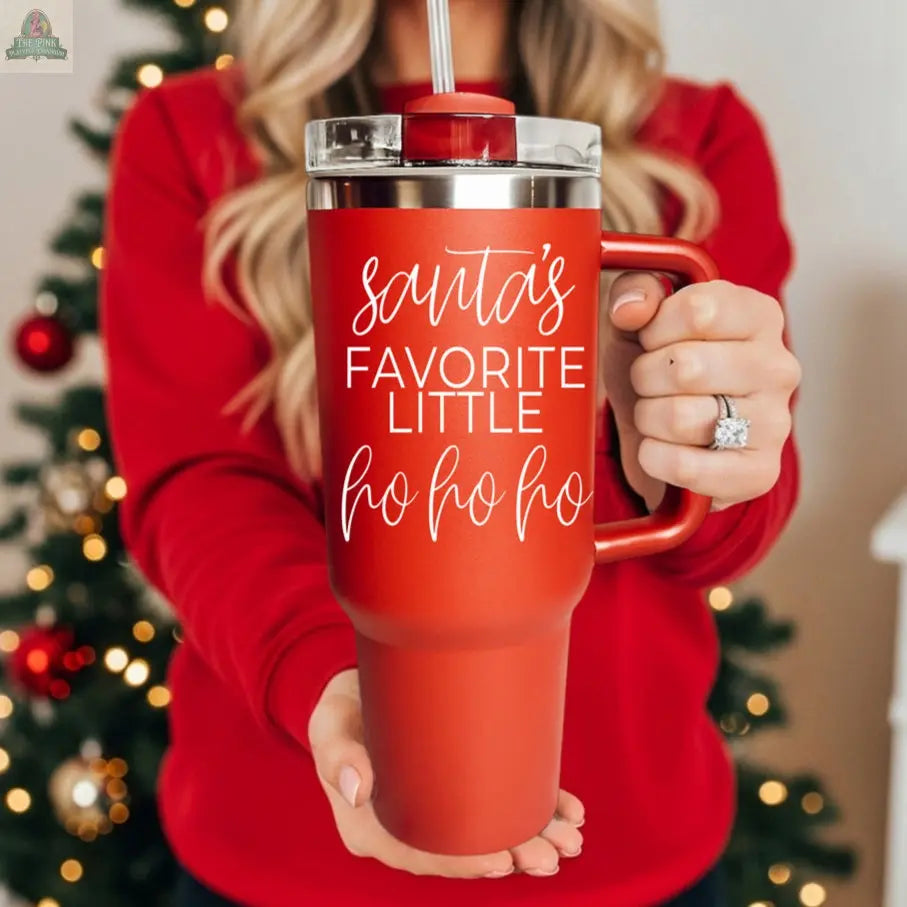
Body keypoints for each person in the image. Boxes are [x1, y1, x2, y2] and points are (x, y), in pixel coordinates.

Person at [100, 1, 801, 905]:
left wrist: (698, 455)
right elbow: (199, 488)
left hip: (626, 851)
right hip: (288, 852)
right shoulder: (190, 134)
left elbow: (736, 507)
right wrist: (330, 684)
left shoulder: (698, 137)